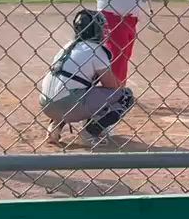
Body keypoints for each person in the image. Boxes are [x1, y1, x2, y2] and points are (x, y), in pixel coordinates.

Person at [40, 9, 136, 146]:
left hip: (46, 104)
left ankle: (54, 127)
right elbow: (112, 86)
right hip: (69, 103)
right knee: (125, 96)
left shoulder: (67, 47)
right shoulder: (96, 50)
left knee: (71, 85)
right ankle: (90, 133)